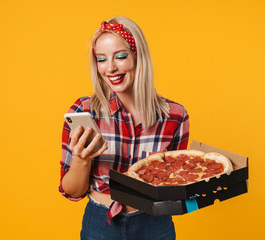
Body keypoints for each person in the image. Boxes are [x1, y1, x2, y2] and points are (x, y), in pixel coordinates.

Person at [59, 16, 189, 240]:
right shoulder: (84, 111)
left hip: (155, 224)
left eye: (120, 56)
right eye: (101, 59)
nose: (110, 68)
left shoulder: (175, 116)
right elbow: (72, 191)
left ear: (139, 56)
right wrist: (81, 159)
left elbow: (172, 188)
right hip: (101, 224)